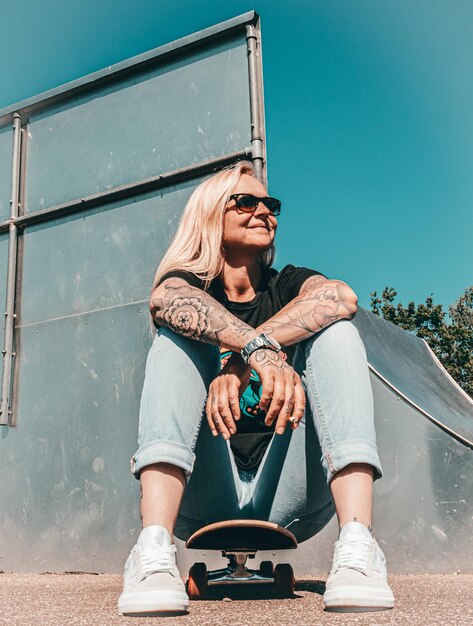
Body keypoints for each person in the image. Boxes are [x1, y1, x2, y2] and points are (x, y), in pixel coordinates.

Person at [117, 160, 395, 615]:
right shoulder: (191, 285)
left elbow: (342, 297)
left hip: (288, 494)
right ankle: (152, 553)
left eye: (271, 204)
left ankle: (359, 547)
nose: (264, 211)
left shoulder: (287, 284)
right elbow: (165, 299)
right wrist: (256, 350)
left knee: (337, 329)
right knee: (174, 337)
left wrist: (249, 358)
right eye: (246, 201)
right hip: (206, 494)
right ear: (211, 213)